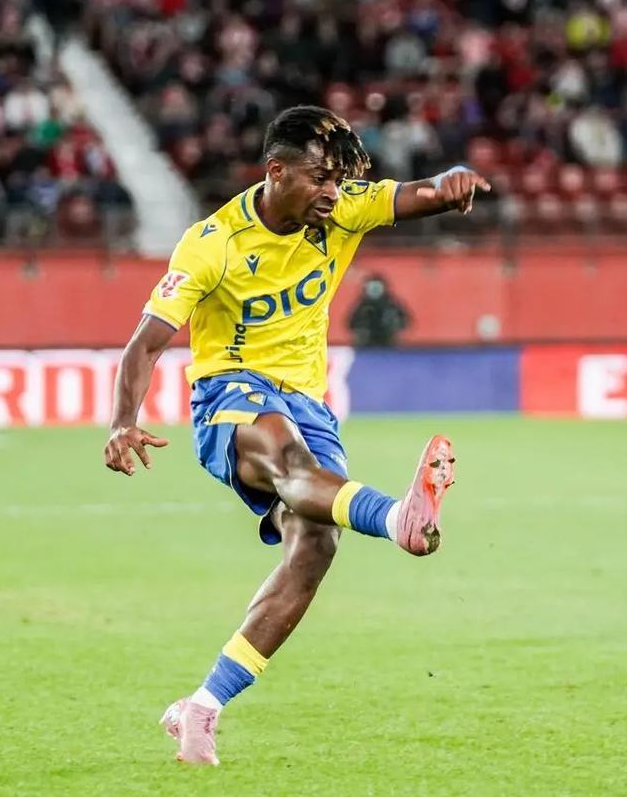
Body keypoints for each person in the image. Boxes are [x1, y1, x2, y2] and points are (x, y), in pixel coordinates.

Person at [102, 106, 491, 766]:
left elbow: (419, 193)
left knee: (315, 543)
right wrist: (122, 420)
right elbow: (146, 343)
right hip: (232, 394)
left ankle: (203, 705)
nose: (333, 193)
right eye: (318, 178)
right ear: (275, 171)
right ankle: (398, 516)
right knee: (285, 459)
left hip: (310, 404)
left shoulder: (340, 212)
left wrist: (453, 178)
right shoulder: (213, 242)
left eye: (339, 180)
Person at [348, 274, 410, 347]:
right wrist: (362, 326)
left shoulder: (391, 303)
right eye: (372, 288)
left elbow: (405, 321)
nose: (375, 291)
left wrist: (393, 323)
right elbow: (351, 324)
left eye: (377, 288)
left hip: (388, 341)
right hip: (367, 343)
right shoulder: (363, 304)